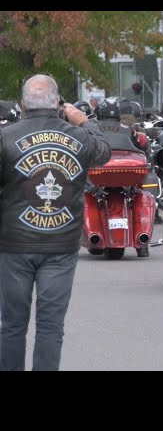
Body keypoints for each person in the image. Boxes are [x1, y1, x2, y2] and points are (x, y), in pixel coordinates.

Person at [0, 74, 111, 371]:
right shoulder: (79, 136)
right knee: (50, 326)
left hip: (14, 243)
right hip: (60, 244)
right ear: (58, 103)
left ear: (23, 103)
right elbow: (104, 151)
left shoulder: (6, 136)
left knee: (12, 325)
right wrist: (82, 120)